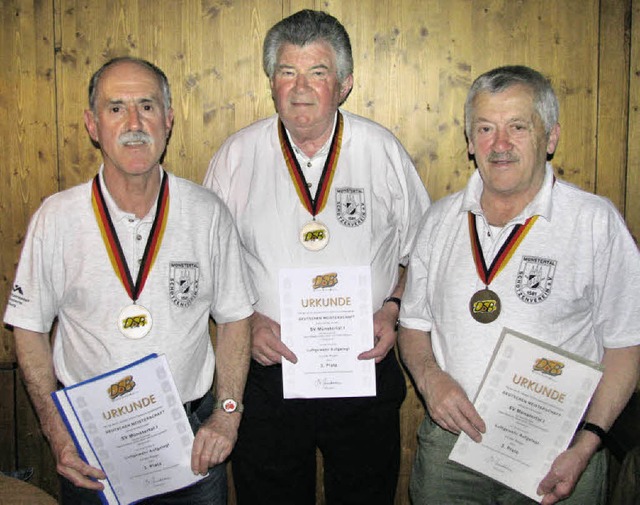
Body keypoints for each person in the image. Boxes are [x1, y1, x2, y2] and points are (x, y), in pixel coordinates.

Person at [3, 56, 256, 505]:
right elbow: (28, 328)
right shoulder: (57, 218)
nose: (134, 122)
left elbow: (236, 318)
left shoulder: (207, 212)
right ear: (92, 125)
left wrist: (227, 415)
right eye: (116, 108)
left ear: (169, 120)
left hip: (193, 445)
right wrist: (56, 431)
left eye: (148, 106)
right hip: (92, 451)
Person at [203, 9, 430, 505]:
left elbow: (426, 258)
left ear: (345, 84)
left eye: (318, 73)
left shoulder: (382, 151)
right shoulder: (236, 157)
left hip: (363, 367)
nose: (300, 88)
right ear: (270, 82)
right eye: (287, 72)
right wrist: (250, 320)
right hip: (267, 375)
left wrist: (393, 310)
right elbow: (210, 271)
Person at [398, 65, 640, 505]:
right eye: (486, 128)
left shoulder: (594, 223)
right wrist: (431, 379)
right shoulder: (438, 221)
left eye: (518, 127)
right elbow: (413, 326)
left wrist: (588, 443)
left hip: (558, 454)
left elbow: (625, 345)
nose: (500, 144)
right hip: (452, 450)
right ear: (470, 141)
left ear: (550, 137)